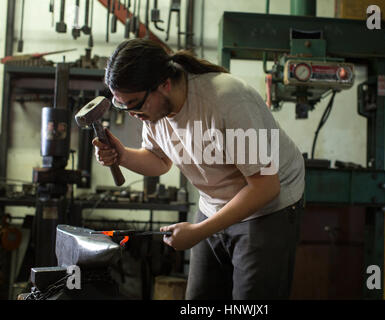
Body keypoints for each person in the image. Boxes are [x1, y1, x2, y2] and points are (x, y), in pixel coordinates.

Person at [93, 38, 305, 300]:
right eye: (122, 105)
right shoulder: (154, 109)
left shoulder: (228, 101)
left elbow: (265, 186)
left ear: (164, 84)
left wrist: (199, 232)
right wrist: (123, 155)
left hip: (267, 207)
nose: (132, 114)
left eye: (134, 104)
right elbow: (159, 159)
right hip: (214, 203)